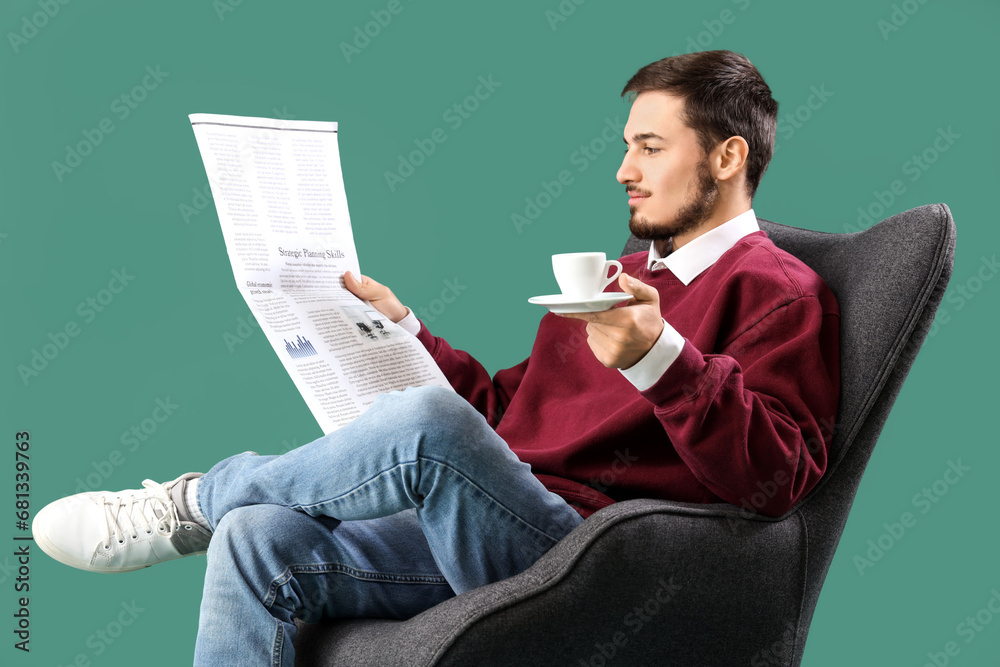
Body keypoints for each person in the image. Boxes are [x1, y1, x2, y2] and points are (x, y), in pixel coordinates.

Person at [32, 50, 840, 665]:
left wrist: (663, 358)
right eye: (627, 146)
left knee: (418, 427)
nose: (624, 169)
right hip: (492, 521)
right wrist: (404, 333)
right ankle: (225, 510)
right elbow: (502, 417)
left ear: (728, 157)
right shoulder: (618, 279)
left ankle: (192, 501)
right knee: (258, 536)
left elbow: (781, 477)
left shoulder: (781, 291)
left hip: (592, 556)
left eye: (651, 147)